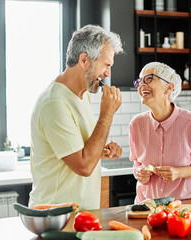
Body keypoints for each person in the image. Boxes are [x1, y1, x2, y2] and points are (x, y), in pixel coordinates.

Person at [29, 25, 124, 210]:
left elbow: (77, 151)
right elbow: (84, 166)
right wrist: (107, 113)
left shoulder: (82, 95)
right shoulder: (54, 104)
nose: (108, 74)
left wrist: (102, 151)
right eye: (106, 65)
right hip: (55, 219)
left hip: (81, 218)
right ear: (83, 60)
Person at [129, 62, 191, 203]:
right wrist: (140, 173)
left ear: (169, 87)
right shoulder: (136, 124)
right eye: (139, 81)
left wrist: (178, 172)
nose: (141, 85)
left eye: (149, 78)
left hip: (186, 205)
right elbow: (137, 163)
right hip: (147, 204)